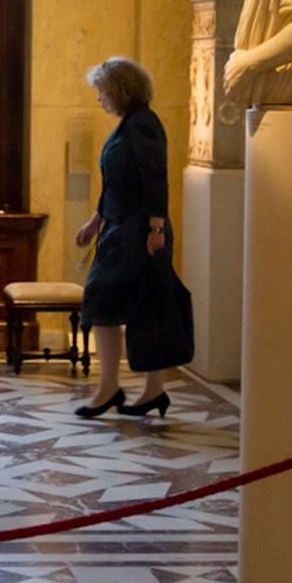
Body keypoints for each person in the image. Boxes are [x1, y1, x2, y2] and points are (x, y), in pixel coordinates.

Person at [74, 57, 173, 419]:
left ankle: (116, 388)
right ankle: (147, 389)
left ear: (118, 89)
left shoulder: (143, 124)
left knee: (106, 300)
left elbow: (154, 178)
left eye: (101, 90)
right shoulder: (130, 124)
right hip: (120, 226)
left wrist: (156, 228)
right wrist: (94, 222)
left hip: (138, 230)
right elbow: (116, 184)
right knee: (120, 304)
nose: (99, 98)